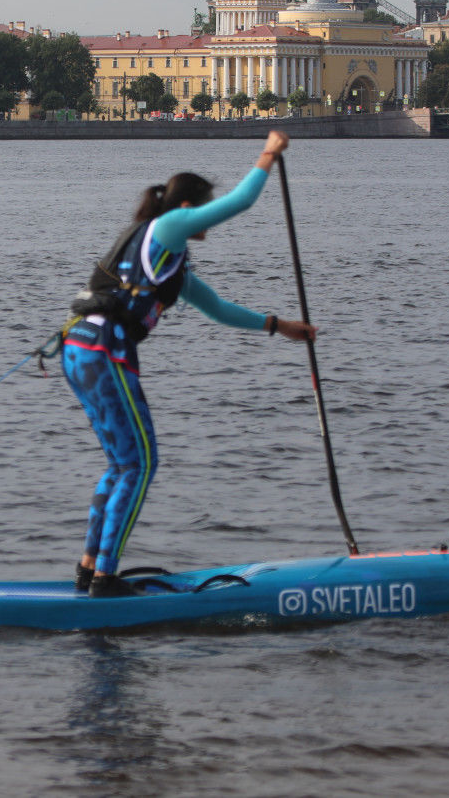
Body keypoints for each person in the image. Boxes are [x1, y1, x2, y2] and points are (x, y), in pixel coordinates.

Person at [61, 130, 317, 598]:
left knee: (122, 464)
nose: (207, 219)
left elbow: (218, 309)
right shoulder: (167, 227)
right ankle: (105, 579)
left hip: (81, 350)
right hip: (104, 351)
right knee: (140, 464)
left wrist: (280, 325)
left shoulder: (169, 260)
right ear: (186, 208)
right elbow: (241, 202)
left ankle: (89, 568)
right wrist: (269, 153)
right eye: (203, 209)